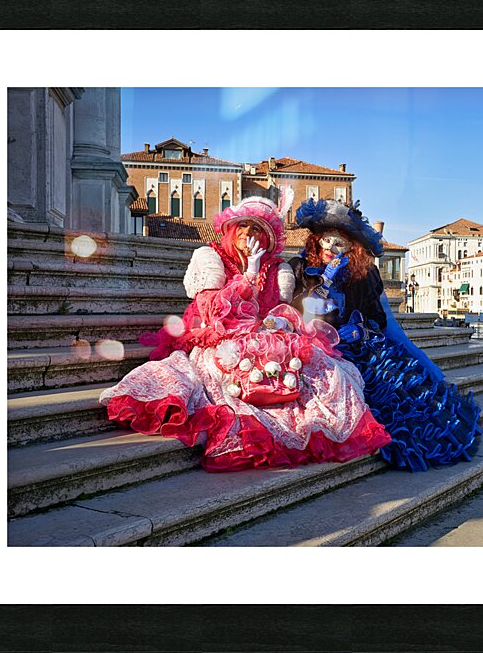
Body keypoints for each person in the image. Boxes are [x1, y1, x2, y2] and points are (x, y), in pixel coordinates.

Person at [99, 196, 391, 472]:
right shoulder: (210, 258)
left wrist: (278, 325)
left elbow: (276, 310)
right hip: (217, 336)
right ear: (231, 228)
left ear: (267, 236)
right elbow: (212, 310)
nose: (248, 233)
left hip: (261, 338)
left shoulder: (278, 270)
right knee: (227, 379)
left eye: (256, 228)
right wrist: (249, 275)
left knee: (327, 369)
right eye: (243, 225)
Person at [290, 197, 482, 472]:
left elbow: (382, 322)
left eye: (339, 243)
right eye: (327, 240)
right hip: (319, 349)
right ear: (317, 239)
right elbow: (306, 317)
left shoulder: (363, 276)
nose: (331, 248)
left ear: (351, 248)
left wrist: (361, 331)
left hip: (359, 347)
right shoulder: (300, 269)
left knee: (396, 377)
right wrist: (326, 283)